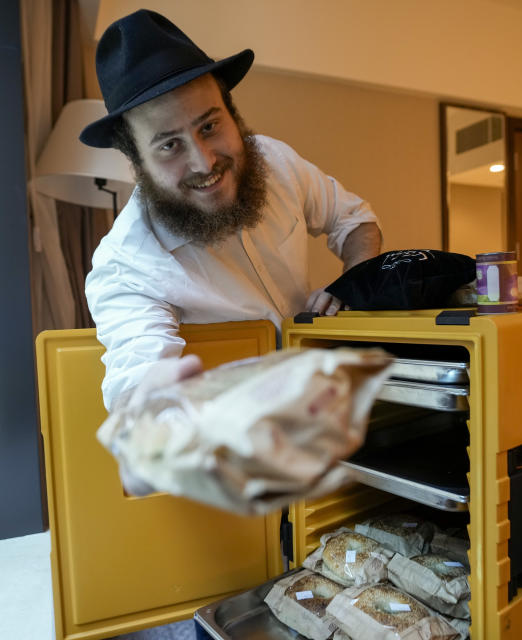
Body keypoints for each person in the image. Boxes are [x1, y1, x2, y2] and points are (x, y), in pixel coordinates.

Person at [81, 9, 383, 412]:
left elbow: (355, 221)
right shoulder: (126, 266)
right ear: (136, 160)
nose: (205, 163)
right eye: (169, 145)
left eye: (209, 127)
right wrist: (152, 423)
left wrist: (353, 286)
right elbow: (138, 380)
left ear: (231, 112)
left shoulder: (275, 160)